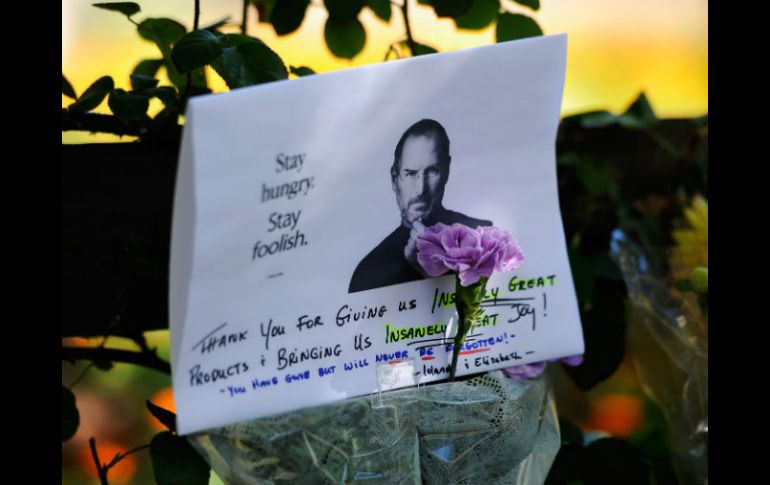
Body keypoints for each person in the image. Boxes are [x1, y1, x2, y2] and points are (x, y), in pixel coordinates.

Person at [349, 119, 492, 293]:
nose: (420, 189)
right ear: (394, 179)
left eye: (432, 171)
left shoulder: (484, 237)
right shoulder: (367, 273)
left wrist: (432, 271)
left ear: (446, 171)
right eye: (410, 174)